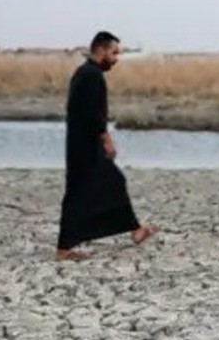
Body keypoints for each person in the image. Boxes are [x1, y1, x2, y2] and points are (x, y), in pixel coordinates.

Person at [55, 31, 157, 261]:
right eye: (114, 53)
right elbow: (94, 114)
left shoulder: (86, 73)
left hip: (83, 144)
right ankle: (63, 249)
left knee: (110, 184)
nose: (116, 59)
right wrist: (106, 139)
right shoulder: (90, 75)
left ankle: (135, 230)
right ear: (101, 50)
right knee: (80, 193)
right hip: (86, 146)